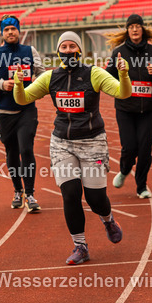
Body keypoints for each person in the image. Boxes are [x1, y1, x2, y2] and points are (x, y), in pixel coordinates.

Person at [13, 31, 130, 265]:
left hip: (92, 142)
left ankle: (107, 219)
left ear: (79, 50)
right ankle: (80, 246)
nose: (68, 51)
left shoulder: (94, 74)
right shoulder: (50, 77)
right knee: (70, 193)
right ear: (58, 51)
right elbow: (23, 99)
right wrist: (18, 84)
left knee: (96, 198)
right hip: (62, 144)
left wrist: (124, 75)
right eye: (64, 47)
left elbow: (122, 93)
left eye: (72, 46)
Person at [0, 15, 44, 211]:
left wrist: (36, 86)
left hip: (26, 110)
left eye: (13, 29)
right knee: (12, 152)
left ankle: (30, 194)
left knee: (26, 149)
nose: (10, 32)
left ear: (19, 31)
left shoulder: (30, 51)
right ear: (2, 33)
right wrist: (2, 84)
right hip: (4, 112)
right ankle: (18, 190)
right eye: (6, 30)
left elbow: (42, 73)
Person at [106, 14, 152, 199]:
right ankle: (125, 170)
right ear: (127, 30)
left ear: (142, 29)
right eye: (131, 26)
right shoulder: (119, 52)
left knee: (145, 150)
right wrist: (118, 74)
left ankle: (141, 187)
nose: (134, 29)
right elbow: (108, 78)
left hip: (146, 110)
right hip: (125, 109)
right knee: (129, 147)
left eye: (137, 26)